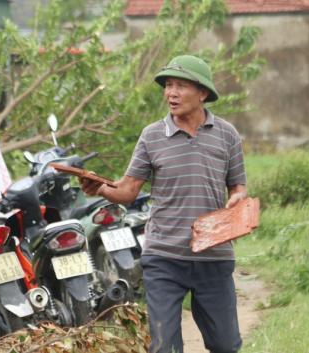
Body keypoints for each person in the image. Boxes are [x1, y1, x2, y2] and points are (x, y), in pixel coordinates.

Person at [80, 54, 247, 353]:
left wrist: (236, 201)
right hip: (164, 257)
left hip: (214, 256)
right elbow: (128, 190)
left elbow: (238, 187)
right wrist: (102, 189)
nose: (171, 93)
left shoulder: (227, 135)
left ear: (203, 93)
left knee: (225, 345)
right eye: (168, 85)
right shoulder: (152, 136)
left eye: (180, 85)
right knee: (164, 346)